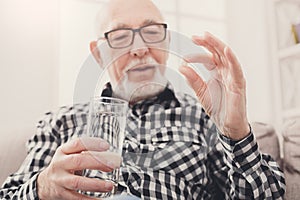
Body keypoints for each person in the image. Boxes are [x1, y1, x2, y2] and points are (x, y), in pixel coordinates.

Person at [0, 0, 285, 199]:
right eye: (121, 36)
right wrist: (44, 187)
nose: (139, 48)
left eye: (151, 32)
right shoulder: (60, 122)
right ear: (99, 53)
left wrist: (235, 131)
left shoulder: (202, 119)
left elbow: (267, 196)